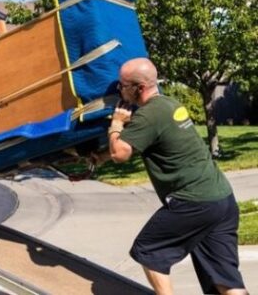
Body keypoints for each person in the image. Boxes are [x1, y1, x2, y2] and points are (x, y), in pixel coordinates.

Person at [95, 57, 247, 295]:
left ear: (140, 88)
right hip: (222, 200)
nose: (119, 90)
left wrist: (116, 124)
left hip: (194, 201)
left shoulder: (148, 115)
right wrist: (96, 160)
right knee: (225, 281)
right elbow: (140, 142)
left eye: (122, 85)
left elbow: (120, 153)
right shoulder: (169, 104)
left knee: (148, 251)